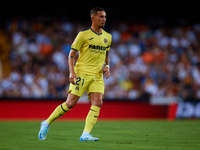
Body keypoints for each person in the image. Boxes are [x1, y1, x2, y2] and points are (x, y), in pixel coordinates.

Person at [38, 7, 112, 141]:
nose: (104, 19)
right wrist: (72, 72)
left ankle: (85, 134)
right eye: (101, 17)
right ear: (93, 18)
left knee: (98, 102)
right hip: (82, 73)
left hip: (97, 75)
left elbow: (106, 54)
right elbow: (71, 54)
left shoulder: (108, 37)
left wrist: (107, 66)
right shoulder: (83, 35)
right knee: (70, 103)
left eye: (105, 17)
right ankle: (47, 123)